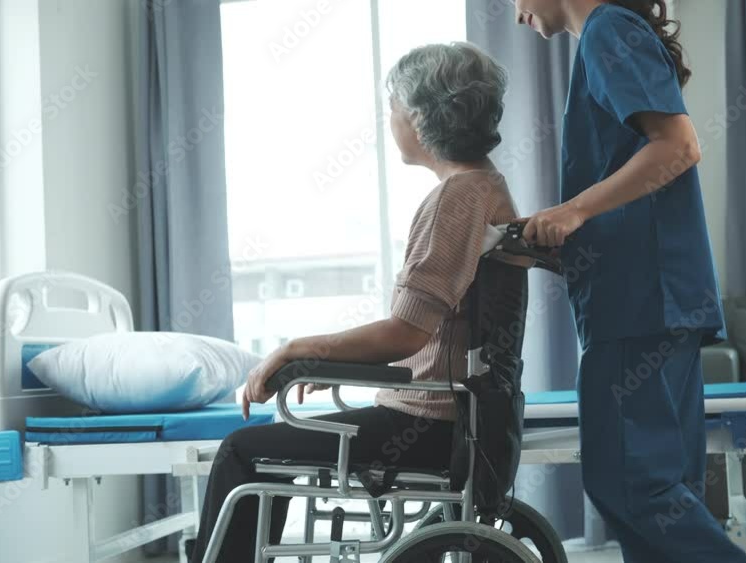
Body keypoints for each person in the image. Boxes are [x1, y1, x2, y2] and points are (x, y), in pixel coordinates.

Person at [190, 42, 523, 563]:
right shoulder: (486, 188)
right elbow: (430, 333)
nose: (390, 121)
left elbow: (405, 333)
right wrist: (341, 363)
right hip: (451, 417)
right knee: (264, 445)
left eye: (394, 108)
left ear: (420, 117)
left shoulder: (456, 199)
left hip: (428, 424)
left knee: (241, 450)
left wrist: (301, 349)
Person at [512, 1, 746, 562]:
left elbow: (679, 146)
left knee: (630, 485)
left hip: (641, 301)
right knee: (664, 491)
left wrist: (574, 210)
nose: (518, 15)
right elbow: (629, 184)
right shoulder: (609, 35)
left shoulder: (608, 31)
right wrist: (569, 240)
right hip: (651, 298)